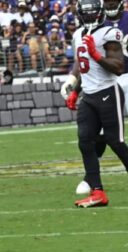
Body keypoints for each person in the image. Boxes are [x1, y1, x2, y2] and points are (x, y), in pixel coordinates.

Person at [63, 0, 127, 207]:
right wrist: (75, 91)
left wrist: (97, 54)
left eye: (92, 14)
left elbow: (118, 67)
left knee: (114, 141)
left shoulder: (109, 33)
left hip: (108, 92)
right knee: (85, 141)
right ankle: (98, 192)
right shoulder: (77, 34)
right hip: (89, 96)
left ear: (100, 14)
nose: (89, 18)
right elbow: (85, 69)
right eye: (86, 14)